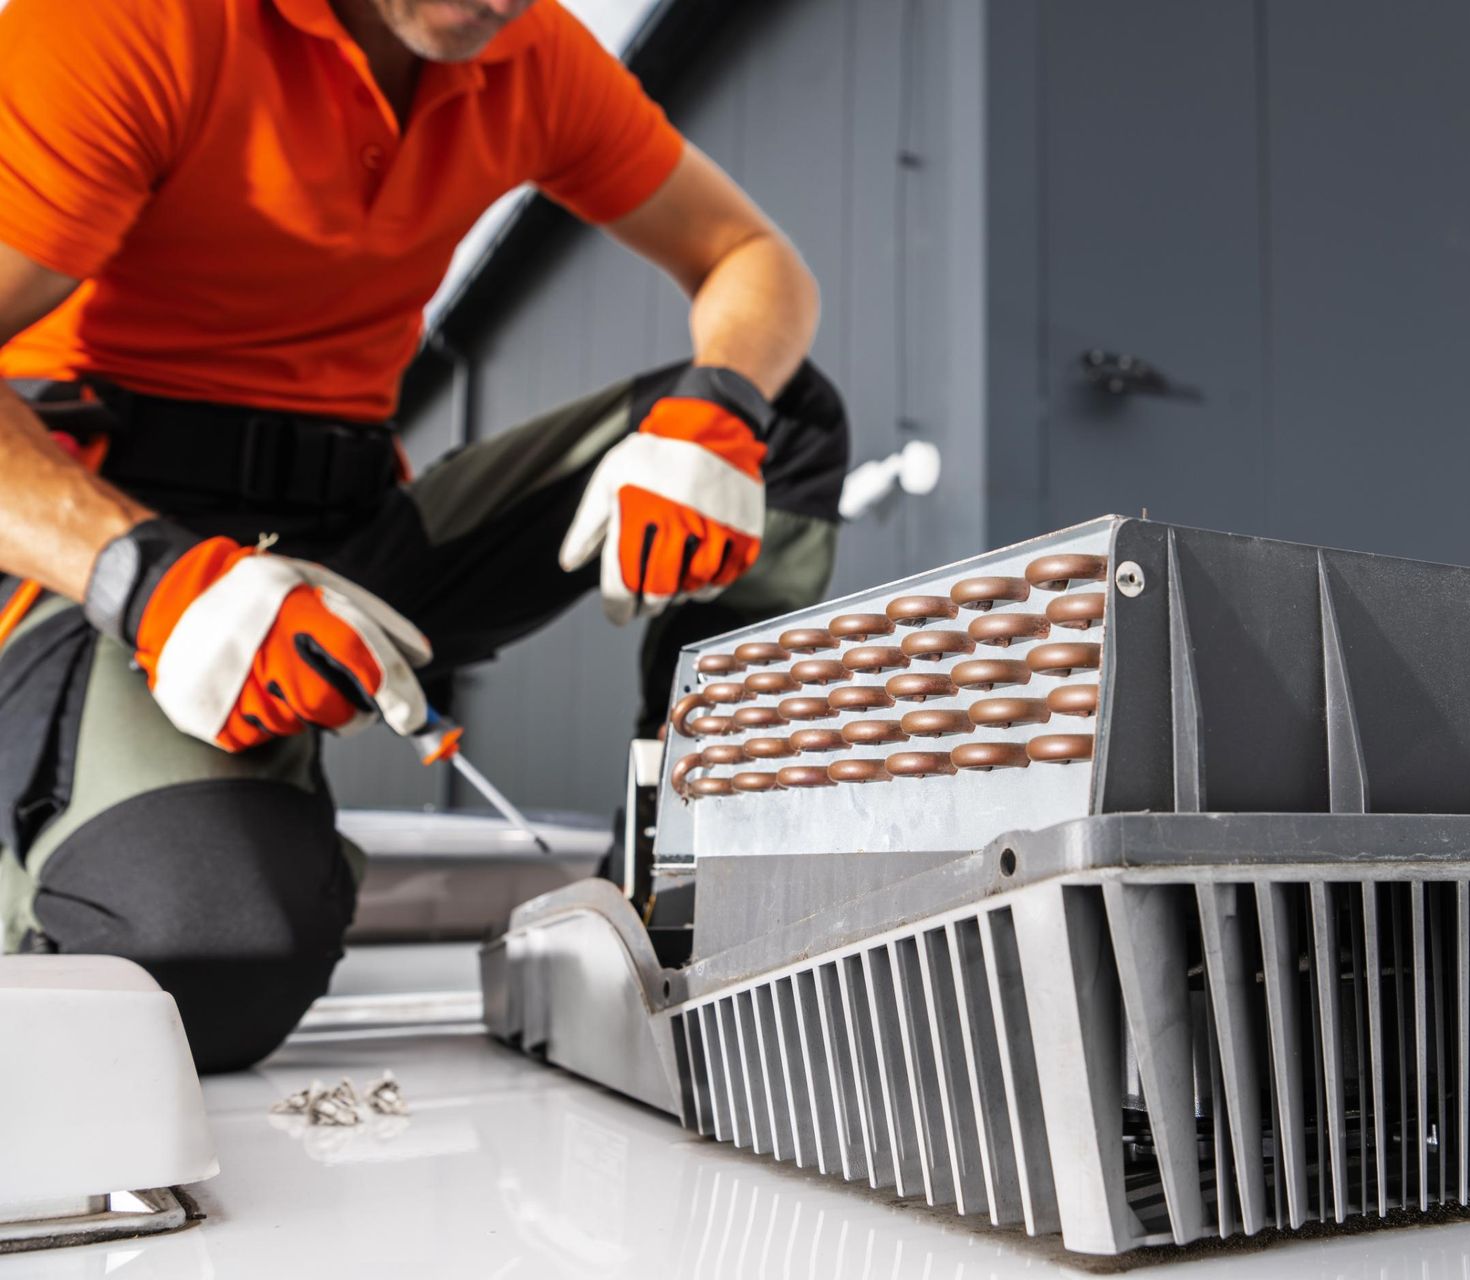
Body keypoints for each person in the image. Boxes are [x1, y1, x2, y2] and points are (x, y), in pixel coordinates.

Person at [0, 0, 848, 1071]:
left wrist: (710, 416)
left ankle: (690, 886)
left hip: (358, 538)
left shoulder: (531, 56)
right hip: (99, 544)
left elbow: (752, 255)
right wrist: (152, 578)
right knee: (200, 961)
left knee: (776, 417)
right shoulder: (132, 24)